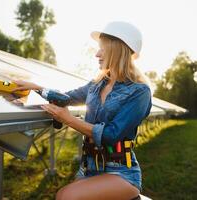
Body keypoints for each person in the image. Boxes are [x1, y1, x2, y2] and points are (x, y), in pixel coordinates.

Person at [13, 21, 152, 200]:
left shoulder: (139, 92)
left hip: (121, 173)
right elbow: (65, 98)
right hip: (89, 167)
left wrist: (69, 120)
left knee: (66, 196)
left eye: (102, 48)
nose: (97, 54)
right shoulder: (96, 85)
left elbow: (111, 135)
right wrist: (35, 88)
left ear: (117, 50)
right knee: (63, 195)